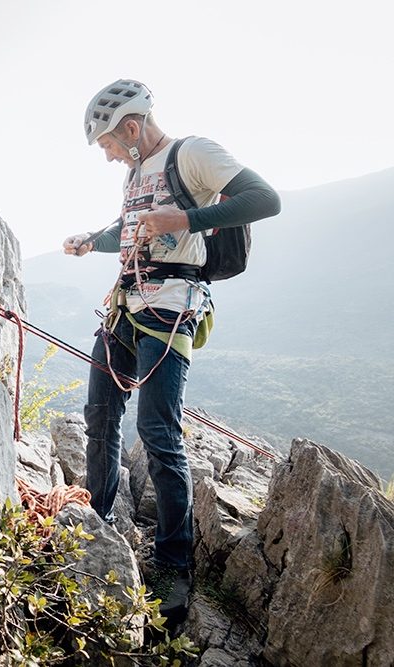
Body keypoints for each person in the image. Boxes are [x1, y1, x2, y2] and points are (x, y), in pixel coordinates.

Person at [63, 79, 280, 624]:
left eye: (110, 143)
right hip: (127, 304)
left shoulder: (194, 154)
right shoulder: (138, 172)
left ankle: (173, 566)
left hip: (174, 305)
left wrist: (185, 220)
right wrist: (94, 239)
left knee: (158, 431)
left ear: (131, 128)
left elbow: (266, 199)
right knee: (101, 415)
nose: (109, 156)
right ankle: (100, 519)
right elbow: (134, 229)